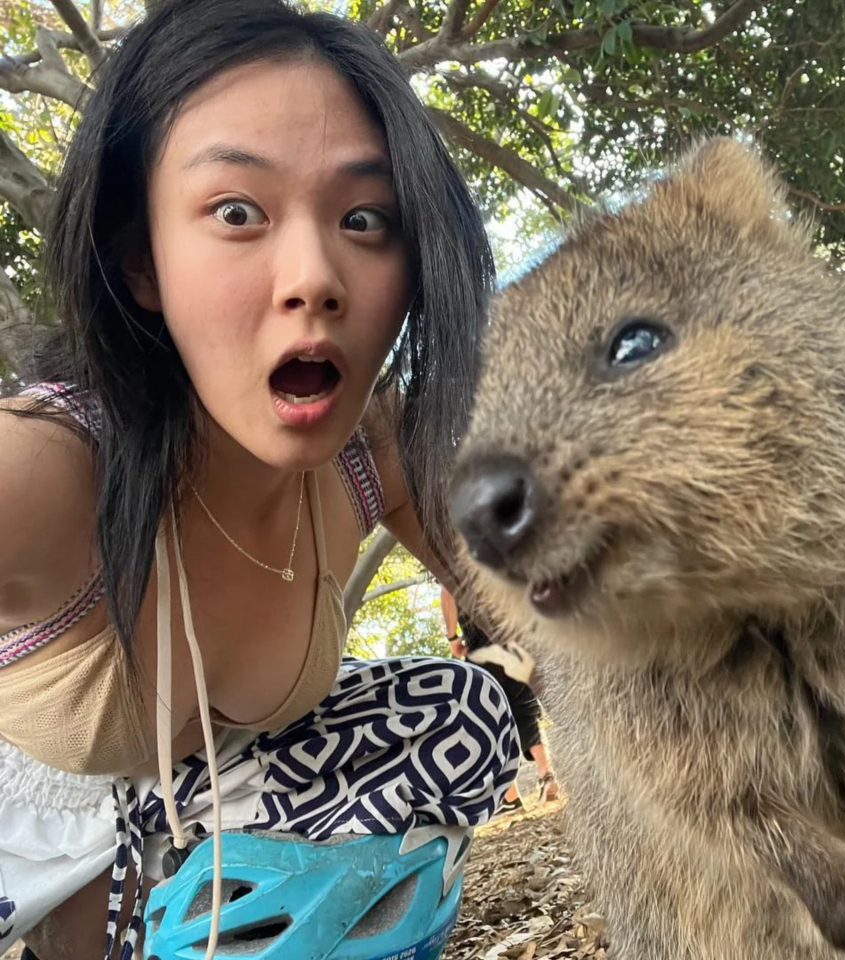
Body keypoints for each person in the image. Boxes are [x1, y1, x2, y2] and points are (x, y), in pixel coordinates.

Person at [0, 1, 520, 956]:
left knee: (463, 710)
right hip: (26, 841)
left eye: (365, 219)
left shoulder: (378, 450)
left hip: (212, 827)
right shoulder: (40, 469)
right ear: (140, 261)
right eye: (237, 211)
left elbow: (570, 631)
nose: (314, 276)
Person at [441, 589, 560, 813]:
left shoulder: (450, 557)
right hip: (514, 636)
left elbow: (448, 592)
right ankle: (546, 775)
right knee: (523, 706)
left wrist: (452, 637)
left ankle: (510, 796)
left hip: (481, 645)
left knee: (491, 718)